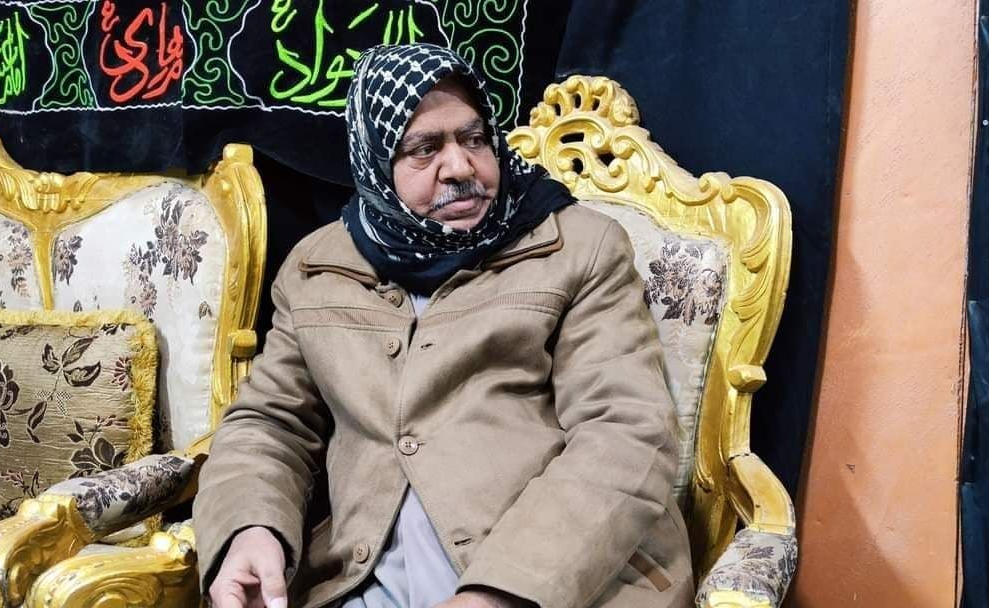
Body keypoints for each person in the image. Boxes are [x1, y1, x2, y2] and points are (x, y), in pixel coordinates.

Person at [196, 43, 694, 608]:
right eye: (424, 149)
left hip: (552, 584)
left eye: (474, 139)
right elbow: (272, 423)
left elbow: (625, 430)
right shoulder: (316, 268)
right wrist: (250, 528)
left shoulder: (580, 247)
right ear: (374, 160)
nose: (460, 167)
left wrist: (501, 591)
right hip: (363, 584)